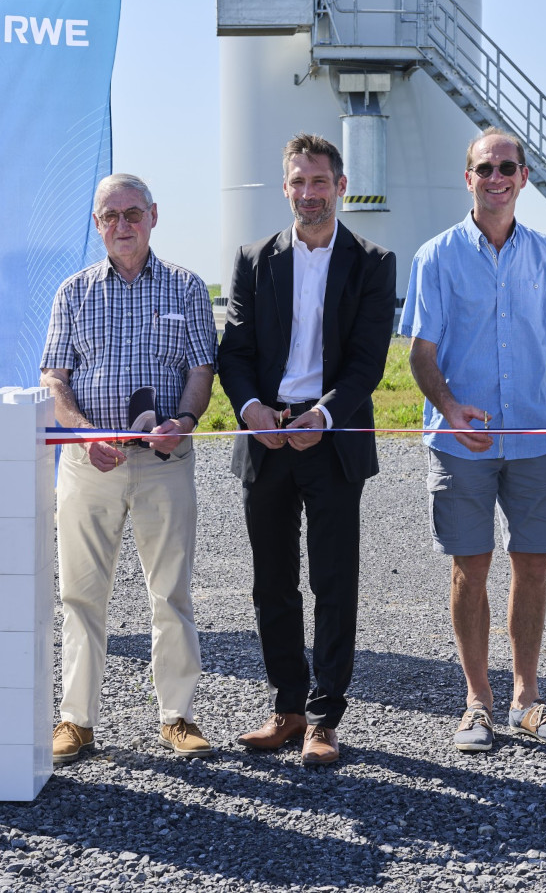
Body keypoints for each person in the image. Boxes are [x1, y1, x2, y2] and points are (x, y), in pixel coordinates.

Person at [400, 126, 546, 753]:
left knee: (533, 564)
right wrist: (449, 407)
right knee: (470, 568)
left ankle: (527, 699)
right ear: (469, 178)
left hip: (537, 441)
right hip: (463, 445)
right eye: (485, 168)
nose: (496, 177)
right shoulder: (436, 256)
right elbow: (421, 353)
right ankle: (477, 703)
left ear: (523, 178)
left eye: (507, 167)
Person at [216, 132, 397, 766]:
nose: (308, 193)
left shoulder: (373, 262)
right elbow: (233, 354)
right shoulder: (253, 258)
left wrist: (323, 415)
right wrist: (250, 409)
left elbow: (367, 363)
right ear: (285, 186)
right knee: (272, 582)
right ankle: (287, 708)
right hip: (266, 439)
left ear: (341, 186)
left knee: (333, 581)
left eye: (319, 181)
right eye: (297, 181)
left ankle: (325, 718)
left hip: (332, 439)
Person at [40, 173, 218, 766]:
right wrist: (85, 436)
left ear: (154, 216)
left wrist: (185, 421)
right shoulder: (73, 292)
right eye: (110, 215)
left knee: (170, 592)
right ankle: (76, 721)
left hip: (165, 461)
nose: (122, 225)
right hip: (90, 464)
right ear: (96, 224)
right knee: (81, 595)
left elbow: (200, 369)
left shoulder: (187, 288)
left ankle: (178, 716)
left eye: (132, 213)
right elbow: (54, 379)